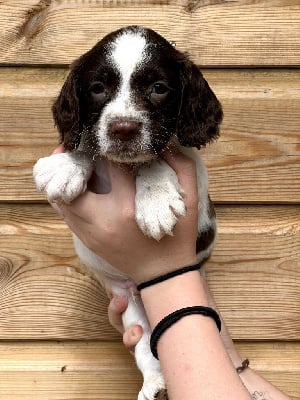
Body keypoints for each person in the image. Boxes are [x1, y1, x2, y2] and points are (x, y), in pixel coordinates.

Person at [52, 146, 291, 400]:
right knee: (133, 317)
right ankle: (154, 372)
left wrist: (164, 277)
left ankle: (155, 373)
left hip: (158, 271)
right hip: (131, 283)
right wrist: (223, 360)